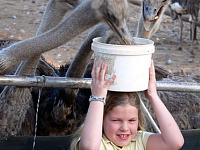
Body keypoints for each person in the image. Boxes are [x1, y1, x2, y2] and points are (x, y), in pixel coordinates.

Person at [71, 60, 184, 150]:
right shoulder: (99, 143)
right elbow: (89, 147)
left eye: (131, 120)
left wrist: (153, 96)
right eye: (116, 120)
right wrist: (98, 97)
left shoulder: (140, 141)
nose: (124, 128)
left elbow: (175, 143)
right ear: (101, 119)